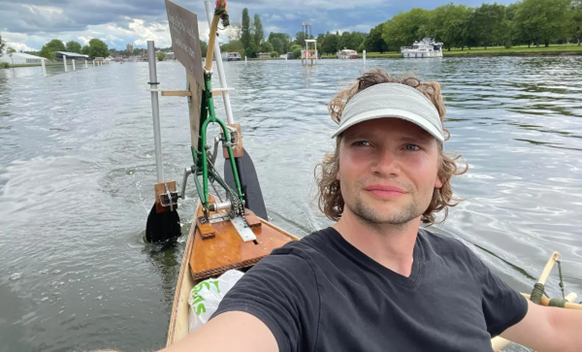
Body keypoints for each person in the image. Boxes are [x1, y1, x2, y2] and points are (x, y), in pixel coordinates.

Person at [162, 69, 581, 352]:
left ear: (438, 170)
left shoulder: (460, 263)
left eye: (411, 146)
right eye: (363, 143)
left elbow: (550, 327)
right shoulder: (293, 283)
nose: (386, 164)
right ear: (338, 164)